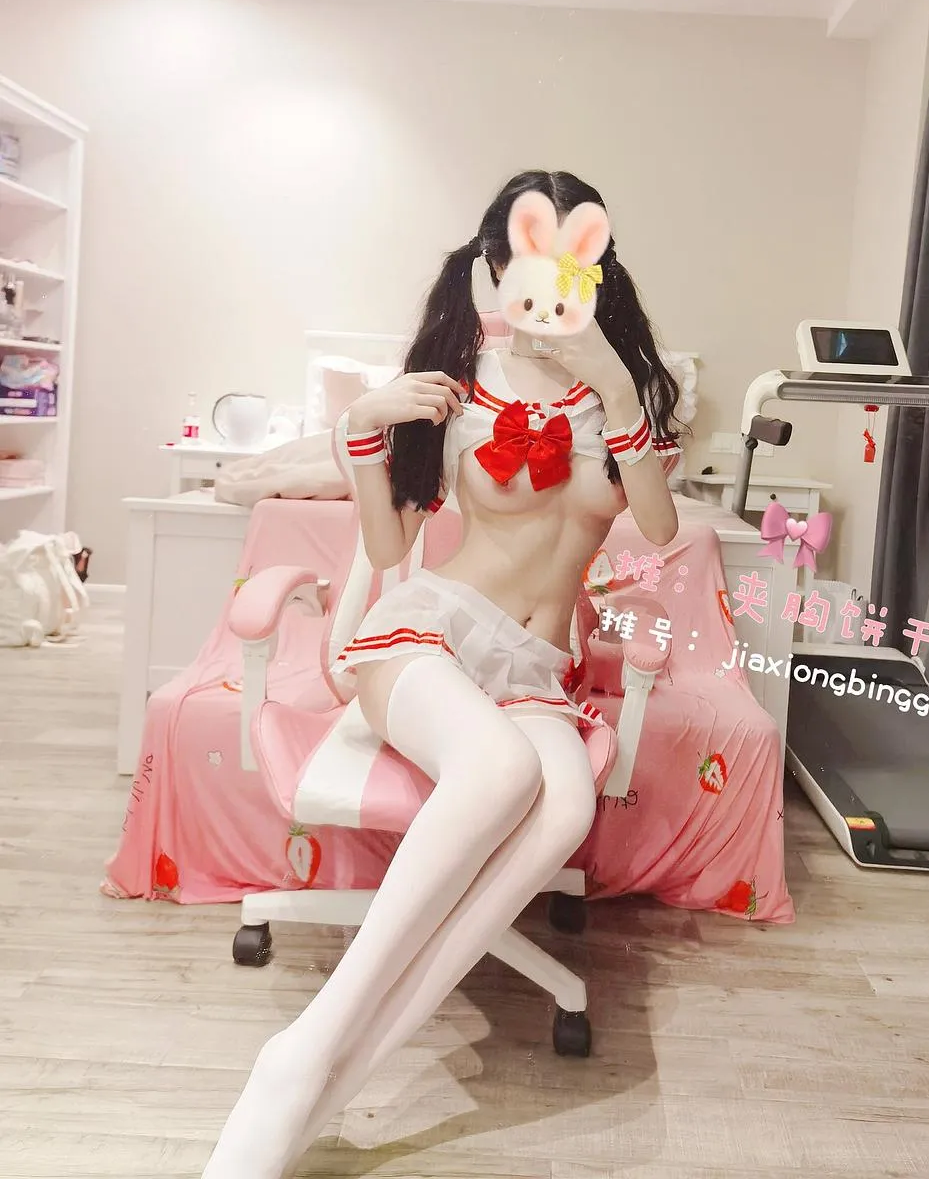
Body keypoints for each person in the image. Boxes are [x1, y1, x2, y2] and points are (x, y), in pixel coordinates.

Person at [203, 170, 685, 1177]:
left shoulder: (622, 397)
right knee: (501, 771)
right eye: (524, 268)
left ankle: (328, 1070)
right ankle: (308, 1048)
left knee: (563, 808)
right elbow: (388, 549)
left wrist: (614, 383)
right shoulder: (458, 389)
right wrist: (363, 432)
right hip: (430, 636)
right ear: (493, 272)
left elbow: (655, 525)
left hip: (536, 667)